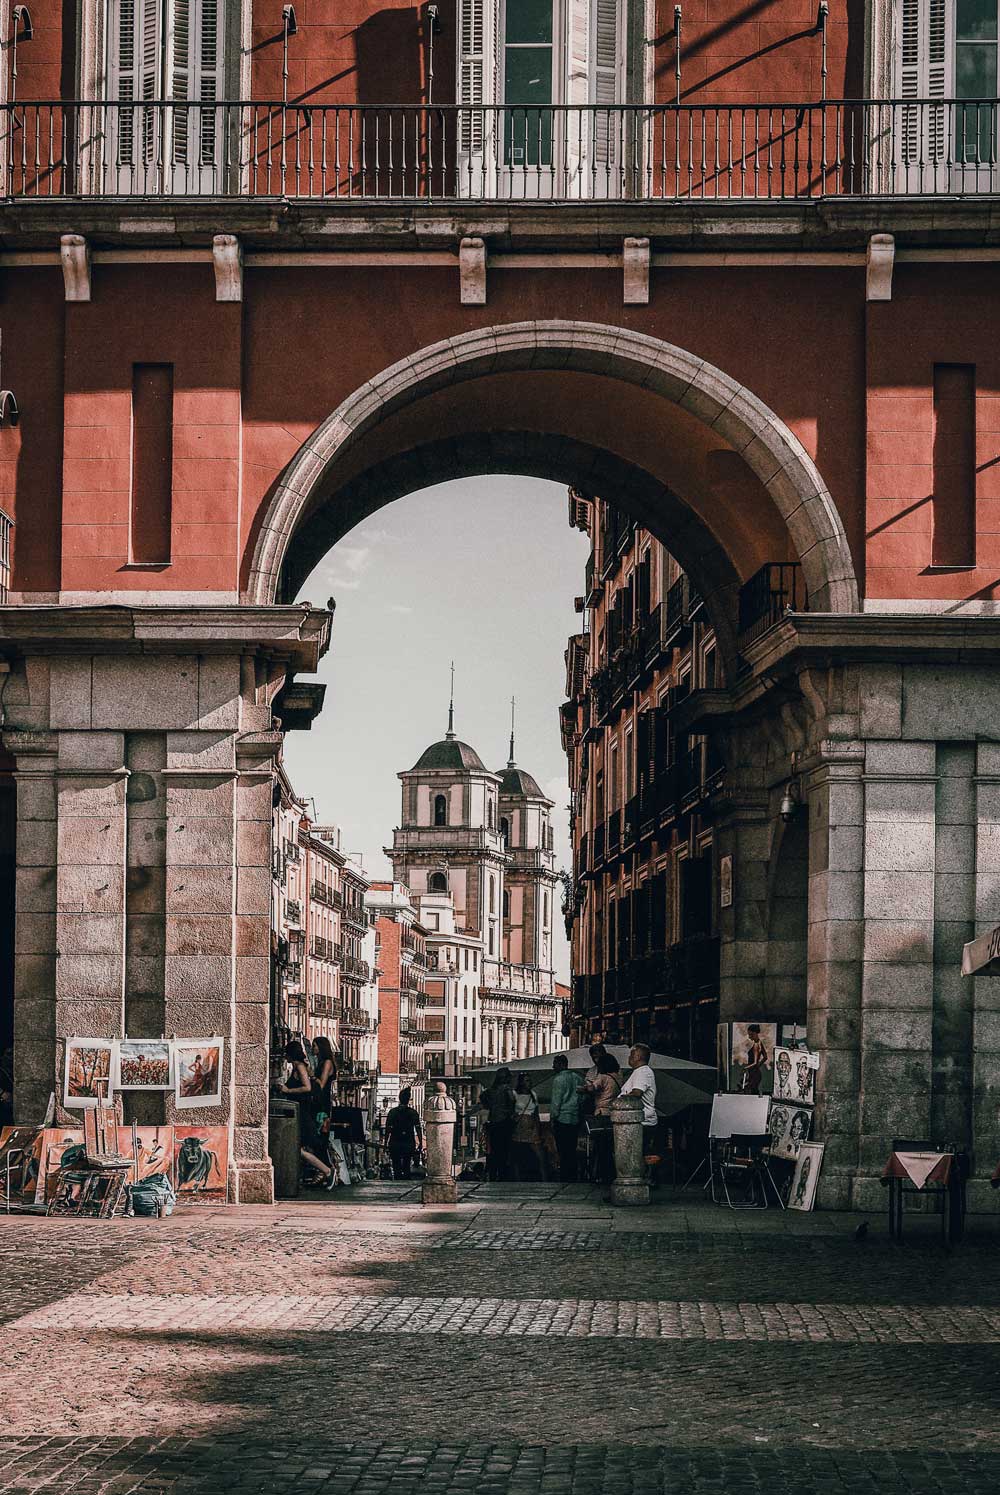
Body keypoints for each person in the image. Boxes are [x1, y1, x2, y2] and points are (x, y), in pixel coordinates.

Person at [278, 1040, 339, 1191]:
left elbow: (309, 1087)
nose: (312, 1049)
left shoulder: (302, 1066)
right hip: (301, 1111)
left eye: (315, 1046)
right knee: (301, 1146)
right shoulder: (301, 1066)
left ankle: (327, 1170)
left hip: (306, 1111)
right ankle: (323, 1171)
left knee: (302, 1146)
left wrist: (287, 1090)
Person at [619, 1042, 658, 1174]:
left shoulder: (643, 1072)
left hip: (642, 1121)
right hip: (635, 1120)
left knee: (637, 1154)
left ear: (638, 1056)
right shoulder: (638, 1072)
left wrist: (620, 1099)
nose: (629, 1057)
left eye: (631, 1054)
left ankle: (643, 1177)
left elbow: (637, 1093)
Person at [587, 1050, 622, 1184]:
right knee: (611, 1146)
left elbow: (592, 1088)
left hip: (601, 1113)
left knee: (601, 1147)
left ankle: (604, 1175)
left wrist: (585, 1087)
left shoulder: (602, 1077)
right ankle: (612, 1174)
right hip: (614, 1113)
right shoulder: (619, 1076)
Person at [549, 1053, 583, 1183]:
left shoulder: (558, 1079)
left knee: (562, 1150)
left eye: (555, 1064)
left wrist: (553, 1117)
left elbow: (556, 1101)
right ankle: (573, 1175)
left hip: (562, 1118)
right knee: (572, 1149)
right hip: (574, 1117)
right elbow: (583, 1096)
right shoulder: (577, 1078)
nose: (553, 1067)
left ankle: (565, 1176)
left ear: (561, 1064)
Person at [481, 1067, 517, 1181]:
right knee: (505, 1151)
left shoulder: (489, 1091)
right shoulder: (508, 1090)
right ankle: (503, 1175)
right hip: (505, 1123)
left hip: (493, 1122)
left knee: (494, 1151)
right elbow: (512, 1104)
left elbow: (483, 1100)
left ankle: (493, 1174)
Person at [511, 1072, 545, 1181]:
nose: (529, 1083)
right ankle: (517, 1178)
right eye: (526, 1081)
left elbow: (536, 1113)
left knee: (539, 1154)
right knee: (517, 1154)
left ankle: (543, 1178)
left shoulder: (533, 1094)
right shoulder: (514, 1094)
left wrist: (538, 1129)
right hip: (519, 1127)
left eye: (529, 1081)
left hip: (531, 1127)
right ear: (521, 1082)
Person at [384, 1087, 423, 1179]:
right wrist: (420, 1142)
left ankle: (398, 1180)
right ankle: (405, 1180)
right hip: (408, 1142)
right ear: (408, 1099)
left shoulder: (392, 1112)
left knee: (396, 1165)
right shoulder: (413, 1113)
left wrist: (385, 1143)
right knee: (407, 1164)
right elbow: (418, 1128)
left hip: (395, 1142)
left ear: (399, 1098)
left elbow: (388, 1129)